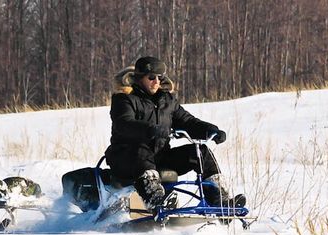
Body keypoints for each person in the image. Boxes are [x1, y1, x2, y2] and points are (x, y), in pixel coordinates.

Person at [105, 56, 245, 212]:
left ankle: (219, 201)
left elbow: (187, 121)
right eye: (151, 77)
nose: (156, 81)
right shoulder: (125, 98)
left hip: (159, 158)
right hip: (126, 158)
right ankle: (156, 200)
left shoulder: (167, 100)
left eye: (160, 77)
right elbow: (123, 124)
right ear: (139, 77)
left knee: (200, 152)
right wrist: (150, 129)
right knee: (141, 149)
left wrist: (210, 130)